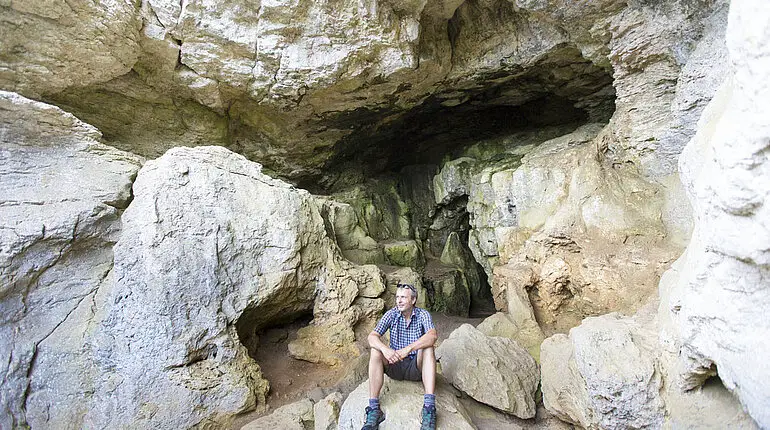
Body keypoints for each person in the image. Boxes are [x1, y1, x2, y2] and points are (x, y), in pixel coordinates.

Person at [362, 283, 438, 430]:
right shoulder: (391, 314)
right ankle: (374, 409)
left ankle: (429, 408)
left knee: (428, 348)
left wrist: (408, 349)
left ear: (413, 300)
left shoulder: (423, 315)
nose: (399, 301)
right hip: (394, 364)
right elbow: (372, 337)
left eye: (403, 297)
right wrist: (385, 349)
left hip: (416, 367)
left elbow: (432, 335)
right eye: (397, 297)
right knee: (375, 350)